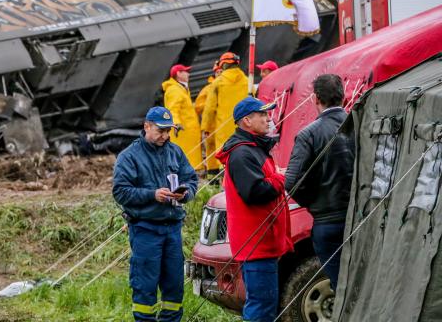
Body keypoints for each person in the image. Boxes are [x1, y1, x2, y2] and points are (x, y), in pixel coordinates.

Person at [113, 106, 198, 322]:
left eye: (169, 130)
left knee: (174, 284)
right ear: (146, 126)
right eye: (160, 130)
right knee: (145, 284)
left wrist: (185, 193)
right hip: (145, 229)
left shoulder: (175, 151)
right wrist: (152, 195)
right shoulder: (129, 156)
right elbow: (120, 191)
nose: (165, 135)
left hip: (173, 229)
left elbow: (192, 179)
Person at [216, 97, 293, 322]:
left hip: (262, 242)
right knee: (261, 306)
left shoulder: (253, 149)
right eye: (263, 115)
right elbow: (255, 191)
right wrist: (281, 178)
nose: (268, 119)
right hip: (256, 243)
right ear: (247, 121)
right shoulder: (242, 153)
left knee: (264, 304)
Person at [284, 74, 353, 291]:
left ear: (316, 99)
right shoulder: (361, 124)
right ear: (342, 96)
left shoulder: (309, 134)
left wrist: (313, 202)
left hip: (328, 220)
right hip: (361, 216)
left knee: (341, 287)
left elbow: (292, 181)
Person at [201, 52, 249, 157]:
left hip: (224, 130)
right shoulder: (247, 81)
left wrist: (206, 128)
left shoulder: (218, 82)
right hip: (245, 127)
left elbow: (210, 108)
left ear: (223, 65)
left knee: (226, 159)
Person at [162, 64, 202, 170]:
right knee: (184, 161)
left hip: (186, 131)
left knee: (187, 160)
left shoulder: (181, 89)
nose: (188, 74)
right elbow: (172, 109)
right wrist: (176, 123)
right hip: (182, 132)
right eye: (185, 71)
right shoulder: (174, 90)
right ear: (178, 74)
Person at [196, 61, 222, 177]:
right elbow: (198, 106)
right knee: (211, 152)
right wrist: (210, 105)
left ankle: (220, 177)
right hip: (211, 127)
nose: (219, 74)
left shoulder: (226, 87)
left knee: (221, 151)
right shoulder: (208, 89)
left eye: (221, 71)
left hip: (222, 125)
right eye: (217, 72)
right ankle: (213, 178)